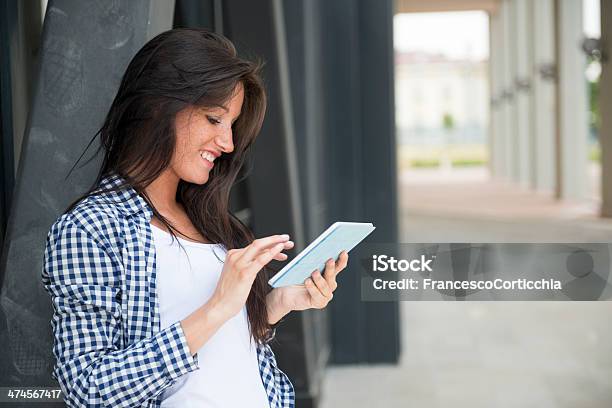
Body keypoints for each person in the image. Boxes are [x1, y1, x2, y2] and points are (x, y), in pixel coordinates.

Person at [41, 28, 348, 408]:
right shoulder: (91, 228)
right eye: (213, 119)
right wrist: (218, 306)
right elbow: (87, 388)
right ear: (158, 106)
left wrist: (276, 304)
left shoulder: (207, 219)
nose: (228, 143)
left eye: (232, 125)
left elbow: (221, 350)